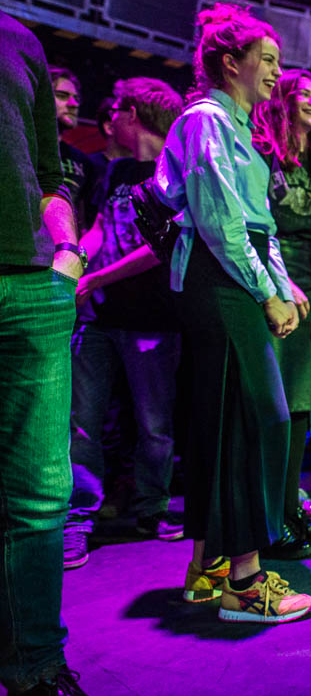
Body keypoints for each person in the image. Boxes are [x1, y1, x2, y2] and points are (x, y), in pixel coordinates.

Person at [153, 3, 311, 623]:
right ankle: (245, 584)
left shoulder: (237, 127)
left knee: (225, 424)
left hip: (229, 278)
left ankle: (209, 569)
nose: (276, 71)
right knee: (257, 419)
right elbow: (222, 222)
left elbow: (258, 226)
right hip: (217, 280)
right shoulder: (207, 120)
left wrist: (281, 286)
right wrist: (267, 291)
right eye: (266, 59)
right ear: (230, 63)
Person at [0, 0, 91, 684]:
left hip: (32, 285)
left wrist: (65, 251)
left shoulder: (19, 39)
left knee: (39, 500)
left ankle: (35, 668)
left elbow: (52, 174)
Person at [65, 77, 186, 571]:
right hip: (99, 318)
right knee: (83, 423)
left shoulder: (172, 171)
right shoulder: (115, 170)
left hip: (152, 318)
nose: (110, 117)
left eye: (117, 109)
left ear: (133, 114)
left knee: (154, 425)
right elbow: (99, 228)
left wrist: (95, 278)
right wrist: (75, 260)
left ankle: (151, 509)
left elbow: (159, 248)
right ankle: (77, 520)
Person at [252, 69, 311, 557]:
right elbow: (257, 226)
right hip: (269, 284)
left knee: (300, 405)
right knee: (272, 407)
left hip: (308, 290)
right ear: (283, 100)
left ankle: (288, 510)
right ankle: (265, 520)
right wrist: (279, 288)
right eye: (303, 93)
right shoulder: (265, 153)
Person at [48, 66, 102, 230]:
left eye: (76, 99)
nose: (74, 104)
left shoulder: (82, 161)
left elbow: (84, 219)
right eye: (62, 95)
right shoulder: (23, 149)